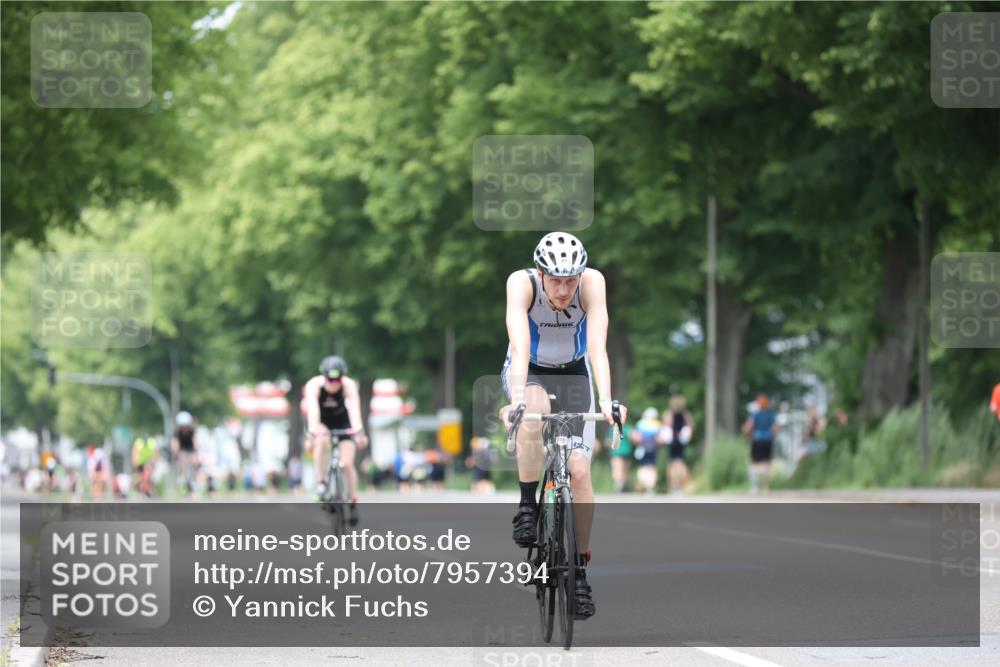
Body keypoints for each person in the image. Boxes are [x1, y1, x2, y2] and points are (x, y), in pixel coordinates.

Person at [499, 232, 628, 620]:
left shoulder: (593, 283)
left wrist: (607, 402)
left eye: (570, 279)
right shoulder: (520, 284)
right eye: (555, 280)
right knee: (533, 408)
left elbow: (597, 350)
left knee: (580, 471)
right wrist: (518, 400)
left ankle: (579, 570)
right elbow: (520, 348)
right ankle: (526, 505)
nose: (563, 289)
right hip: (530, 371)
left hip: (574, 374)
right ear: (540, 273)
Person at [304, 355, 368, 525]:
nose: (333, 383)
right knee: (322, 441)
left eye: (337, 379)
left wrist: (359, 431)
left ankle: (353, 500)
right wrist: (311, 434)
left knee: (347, 463)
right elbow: (313, 411)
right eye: (330, 379)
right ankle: (321, 482)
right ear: (324, 376)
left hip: (342, 421)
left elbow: (354, 409)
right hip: (322, 422)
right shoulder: (314, 385)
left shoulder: (349, 385)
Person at [742, 394, 779, 494]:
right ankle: (766, 487)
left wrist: (748, 434)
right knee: (766, 463)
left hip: (757, 440)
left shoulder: (755, 414)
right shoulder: (770, 415)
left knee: (754, 463)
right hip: (768, 440)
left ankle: (754, 487)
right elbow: (776, 428)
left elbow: (748, 427)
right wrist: (774, 436)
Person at [661, 395, 695, 494]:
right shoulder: (685, 414)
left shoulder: (669, 414)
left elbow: (666, 425)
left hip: (673, 440)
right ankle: (678, 484)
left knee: (673, 463)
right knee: (679, 462)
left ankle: (674, 484)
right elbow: (691, 426)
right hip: (681, 440)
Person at [633, 407, 661, 494]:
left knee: (643, 466)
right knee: (652, 466)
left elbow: (635, 436)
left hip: (642, 447)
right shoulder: (657, 424)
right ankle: (651, 486)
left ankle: (643, 485)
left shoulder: (640, 424)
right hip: (653, 448)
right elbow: (660, 437)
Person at [171, 411, 199, 496]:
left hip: (191, 449)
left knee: (194, 460)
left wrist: (195, 452)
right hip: (182, 450)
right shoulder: (177, 433)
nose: (184, 428)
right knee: (182, 458)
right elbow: (175, 444)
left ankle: (193, 479)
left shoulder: (192, 432)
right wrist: (176, 452)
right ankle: (181, 476)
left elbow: (196, 443)